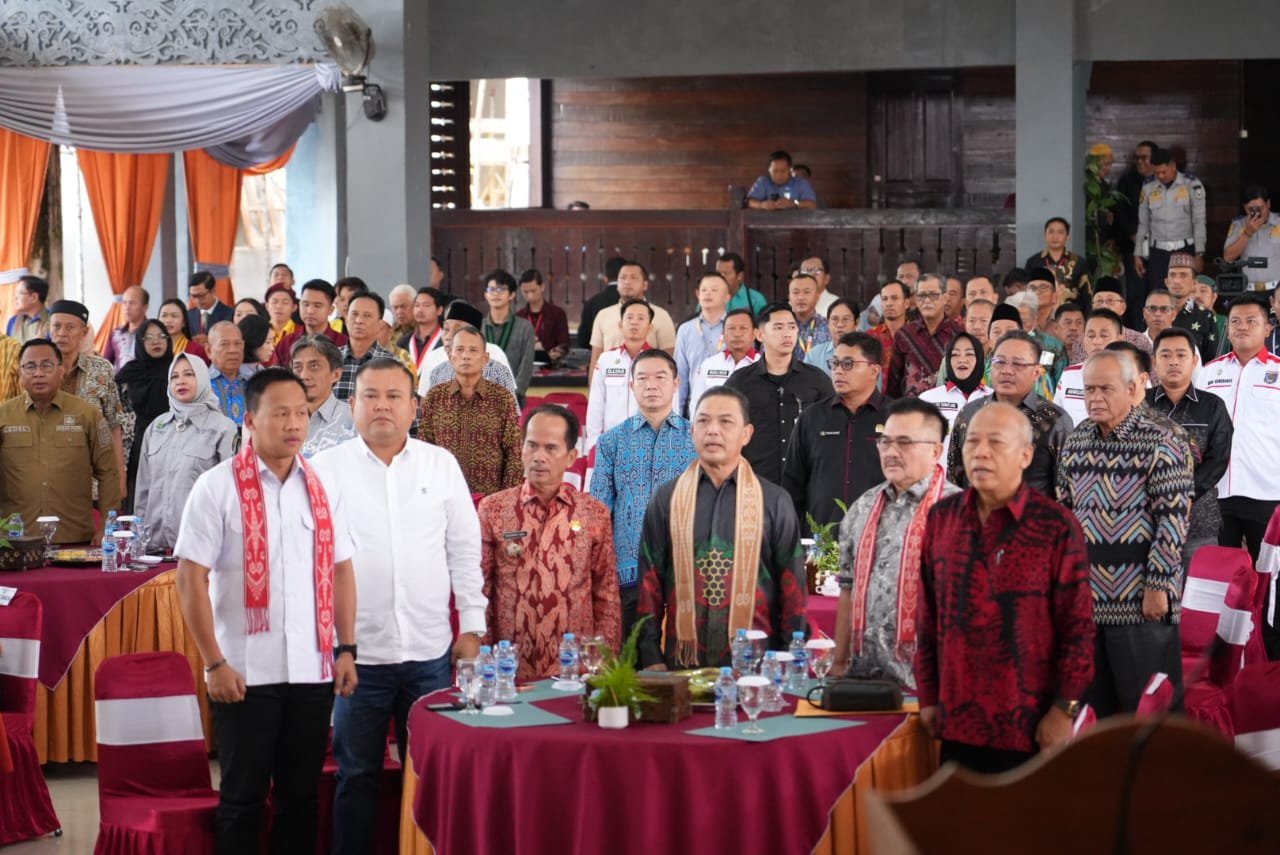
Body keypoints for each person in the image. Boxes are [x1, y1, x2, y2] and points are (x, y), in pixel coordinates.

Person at [174, 368, 358, 854]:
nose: (295, 424)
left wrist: (347, 649)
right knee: (243, 799)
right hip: (243, 673)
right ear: (250, 420)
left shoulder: (322, 486)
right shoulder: (216, 487)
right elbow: (190, 578)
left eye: (301, 413)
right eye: (281, 414)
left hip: (312, 670)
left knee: (300, 798)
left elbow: (341, 570)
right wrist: (213, 662)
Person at [311, 358, 487, 855]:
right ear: (352, 405)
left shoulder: (440, 464)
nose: (382, 406)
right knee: (357, 776)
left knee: (430, 778)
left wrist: (472, 625)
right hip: (356, 658)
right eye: (371, 396)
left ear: (414, 406)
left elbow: (464, 550)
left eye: (394, 396)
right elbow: (316, 563)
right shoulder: (325, 471)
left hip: (429, 655)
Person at [916, 403, 1094, 773]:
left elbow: (1077, 630)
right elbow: (927, 618)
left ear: (1026, 455)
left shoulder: (1055, 526)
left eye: (995, 443)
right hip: (957, 718)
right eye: (972, 442)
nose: (980, 452)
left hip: (1028, 724)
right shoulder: (942, 518)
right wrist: (929, 696)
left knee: (1021, 829)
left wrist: (1063, 710)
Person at [1057, 351, 1192, 716]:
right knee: (1092, 714)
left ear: (1133, 388)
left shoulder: (1162, 440)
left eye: (1105, 388)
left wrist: (1158, 585)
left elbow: (1173, 519)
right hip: (1087, 601)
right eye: (1088, 389)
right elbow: (1065, 514)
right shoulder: (1077, 438)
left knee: (1148, 714)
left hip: (1140, 601)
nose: (1095, 397)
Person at [636, 386, 807, 669]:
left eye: (725, 422)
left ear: (746, 434)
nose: (712, 430)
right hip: (682, 664)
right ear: (692, 431)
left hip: (757, 668)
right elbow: (649, 582)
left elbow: (793, 592)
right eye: (703, 421)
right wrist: (651, 656)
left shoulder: (774, 501)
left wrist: (790, 660)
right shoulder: (667, 498)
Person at [479, 404, 621, 678]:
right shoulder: (493, 510)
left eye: (550, 448)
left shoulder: (594, 513)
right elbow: (481, 589)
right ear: (520, 449)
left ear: (571, 456)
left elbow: (607, 594)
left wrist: (604, 662)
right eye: (531, 446)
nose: (538, 457)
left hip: (574, 668)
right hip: (510, 667)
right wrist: (484, 656)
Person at [835, 399, 960, 687]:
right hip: (861, 679)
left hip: (930, 685)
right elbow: (847, 589)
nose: (891, 452)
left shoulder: (959, 510)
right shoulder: (864, 506)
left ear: (936, 450)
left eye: (904, 442)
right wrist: (839, 664)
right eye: (885, 441)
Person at [590, 350, 696, 634]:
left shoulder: (696, 439)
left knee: (680, 656)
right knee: (630, 654)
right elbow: (598, 511)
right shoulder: (611, 441)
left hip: (686, 567)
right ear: (631, 386)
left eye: (660, 377)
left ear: (676, 384)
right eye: (642, 378)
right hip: (628, 566)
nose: (651, 385)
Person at [1198, 295, 1280, 655]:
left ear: (1268, 328)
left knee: (1270, 580)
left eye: (1251, 320)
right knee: (1219, 581)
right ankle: (1223, 657)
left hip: (1268, 494)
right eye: (1235, 321)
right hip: (1217, 495)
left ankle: (1270, 653)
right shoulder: (1209, 372)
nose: (1242, 327)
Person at [0, 338, 121, 544]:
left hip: (75, 538)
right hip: (16, 541)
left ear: (61, 370)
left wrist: (107, 529)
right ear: (20, 372)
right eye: (30, 366)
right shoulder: (4, 416)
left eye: (46, 365)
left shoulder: (87, 414)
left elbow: (108, 472)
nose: (38, 372)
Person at [1148, 327, 1233, 572]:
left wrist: (1184, 494)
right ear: (1154, 361)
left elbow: (1218, 459)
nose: (1173, 361)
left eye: (1181, 354)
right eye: (1165, 355)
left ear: (1195, 360)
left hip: (1198, 522)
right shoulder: (1139, 404)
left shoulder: (1212, 406)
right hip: (1146, 522)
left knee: (1198, 599)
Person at [783, 332, 887, 531]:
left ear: (874, 370)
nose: (838, 371)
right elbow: (793, 483)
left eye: (848, 364)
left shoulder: (894, 418)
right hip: (820, 542)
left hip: (878, 539)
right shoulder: (811, 418)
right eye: (835, 364)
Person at [134, 354, 237, 552]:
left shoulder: (223, 428)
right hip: (154, 548)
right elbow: (143, 489)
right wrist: (140, 540)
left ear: (203, 379)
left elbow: (230, 492)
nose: (181, 380)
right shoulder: (157, 427)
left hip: (200, 548)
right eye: (174, 376)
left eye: (189, 374)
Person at [949, 331, 1072, 496]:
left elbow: (1065, 490)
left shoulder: (1056, 420)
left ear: (1036, 372)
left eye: (1018, 364)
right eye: (999, 362)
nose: (1006, 371)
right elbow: (954, 480)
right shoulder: (970, 413)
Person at [724, 302, 833, 485]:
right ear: (759, 334)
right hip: (754, 483)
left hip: (806, 483)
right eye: (778, 327)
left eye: (792, 327)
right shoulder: (740, 382)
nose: (787, 333)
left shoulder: (817, 380)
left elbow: (832, 430)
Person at [419, 324, 523, 497]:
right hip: (443, 496)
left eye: (473, 350)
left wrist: (507, 499)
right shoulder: (435, 397)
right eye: (459, 349)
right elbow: (425, 449)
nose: (466, 356)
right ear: (450, 356)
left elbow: (514, 455)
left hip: (490, 499)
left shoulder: (502, 398)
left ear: (485, 358)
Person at [48, 299, 127, 498]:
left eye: (70, 327)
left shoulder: (101, 369)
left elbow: (114, 426)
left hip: (92, 481)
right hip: (46, 481)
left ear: (83, 333)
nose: (62, 333)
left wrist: (119, 478)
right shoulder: (35, 368)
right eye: (56, 326)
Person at [115, 319, 174, 506]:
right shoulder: (130, 373)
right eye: (148, 338)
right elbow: (116, 411)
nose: (156, 341)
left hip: (173, 440)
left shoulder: (178, 370)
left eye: (161, 336)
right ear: (140, 342)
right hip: (138, 443)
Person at [585, 298, 653, 449]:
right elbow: (596, 402)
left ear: (650, 328)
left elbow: (671, 405)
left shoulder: (660, 361)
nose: (634, 322)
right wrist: (593, 443)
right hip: (611, 444)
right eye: (629, 317)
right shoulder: (606, 360)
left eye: (641, 318)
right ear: (620, 326)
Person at [1135, 147, 1206, 291]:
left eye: (1163, 172)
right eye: (1156, 172)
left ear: (1173, 166)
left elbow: (1199, 221)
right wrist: (1137, 253)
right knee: (1157, 294)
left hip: (1184, 250)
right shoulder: (1148, 186)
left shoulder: (1192, 185)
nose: (1160, 176)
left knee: (1185, 294)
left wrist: (1199, 253)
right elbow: (1143, 223)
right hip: (1158, 253)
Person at [588, 261, 676, 374]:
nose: (627, 282)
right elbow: (596, 360)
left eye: (634, 278)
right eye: (622, 278)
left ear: (645, 285)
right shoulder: (603, 315)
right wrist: (593, 389)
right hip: (612, 384)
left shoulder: (660, 315)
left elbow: (669, 360)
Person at [885, 274, 964, 399]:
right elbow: (893, 383)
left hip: (948, 408)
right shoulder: (905, 335)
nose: (927, 301)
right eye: (922, 296)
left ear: (944, 298)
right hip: (910, 409)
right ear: (916, 300)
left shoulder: (959, 335)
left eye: (933, 295)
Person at [420, 300, 518, 397]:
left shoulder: (495, 355)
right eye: (446, 329)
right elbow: (425, 405)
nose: (448, 336)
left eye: (457, 329)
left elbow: (510, 403)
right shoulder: (433, 359)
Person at [919, 333, 990, 461]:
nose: (962, 360)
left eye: (969, 354)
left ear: (980, 359)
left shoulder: (995, 398)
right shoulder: (928, 399)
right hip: (940, 478)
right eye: (955, 354)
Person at [1054, 309, 1125, 426]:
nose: (1096, 341)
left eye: (1104, 335)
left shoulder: (1133, 375)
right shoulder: (1069, 375)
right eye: (1091, 336)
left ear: (1120, 339)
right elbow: (1057, 417)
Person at [675, 272, 731, 416]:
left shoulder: (735, 328)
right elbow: (680, 375)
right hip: (695, 408)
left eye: (714, 290)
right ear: (697, 294)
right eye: (704, 290)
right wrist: (677, 415)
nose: (707, 294)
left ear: (727, 297)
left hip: (729, 407)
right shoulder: (686, 330)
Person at [290, 334, 355, 459]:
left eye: (314, 366)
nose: (304, 375)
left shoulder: (352, 421)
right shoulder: (280, 419)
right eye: (298, 367)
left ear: (336, 374)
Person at [688, 308, 759, 409]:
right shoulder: (709, 365)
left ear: (755, 334)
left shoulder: (764, 365)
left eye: (743, 328)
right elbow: (696, 403)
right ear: (723, 334)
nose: (737, 334)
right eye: (731, 328)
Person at [335, 292, 400, 402]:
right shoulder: (330, 360)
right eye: (354, 314)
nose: (359, 320)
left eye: (367, 316)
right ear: (346, 319)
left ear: (379, 324)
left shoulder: (392, 365)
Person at [481, 269, 537, 397]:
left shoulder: (524, 327)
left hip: (514, 398)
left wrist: (514, 394)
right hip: (480, 398)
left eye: (501, 289)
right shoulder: (477, 327)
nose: (495, 294)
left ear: (512, 295)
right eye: (491, 289)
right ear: (485, 295)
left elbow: (526, 366)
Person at [273, 279, 350, 366]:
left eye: (317, 306)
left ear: (331, 310)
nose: (310, 311)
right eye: (305, 304)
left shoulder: (344, 343)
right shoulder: (286, 343)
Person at [1075, 277, 1153, 362]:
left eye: (1110, 301)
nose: (1104, 306)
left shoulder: (1139, 341)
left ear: (1123, 307)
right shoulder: (1080, 342)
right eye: (1099, 301)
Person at [1165, 252, 1220, 365]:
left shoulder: (1206, 316)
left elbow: (1212, 361)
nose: (1177, 281)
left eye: (1183, 275)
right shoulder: (1154, 312)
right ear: (1166, 281)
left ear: (1194, 283)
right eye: (1173, 275)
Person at [1223, 184, 1280, 291]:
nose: (1257, 213)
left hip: (1277, 290)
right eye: (1251, 209)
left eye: (1260, 208)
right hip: (1249, 290)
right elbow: (1228, 257)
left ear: (1268, 204)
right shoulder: (1238, 224)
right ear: (1244, 207)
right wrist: (1247, 233)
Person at [1025, 217, 1090, 302]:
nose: (1055, 237)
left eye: (1060, 232)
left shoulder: (1079, 262)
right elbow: (1027, 292)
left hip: (1071, 312)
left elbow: (1087, 295)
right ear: (1045, 235)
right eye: (1051, 232)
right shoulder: (1034, 262)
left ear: (1067, 237)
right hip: (1042, 312)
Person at [517, 269, 571, 364]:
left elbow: (564, 344)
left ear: (542, 287)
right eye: (525, 292)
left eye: (533, 291)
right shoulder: (519, 316)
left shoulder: (557, 313)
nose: (530, 295)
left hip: (551, 367)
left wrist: (552, 352)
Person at [207, 321, 255, 426]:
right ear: (209, 351)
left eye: (237, 344)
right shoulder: (202, 385)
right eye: (224, 344)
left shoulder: (254, 383)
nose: (233, 350)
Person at [577, 256, 625, 350]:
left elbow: (583, 339)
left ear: (605, 278)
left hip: (599, 356)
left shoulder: (592, 302)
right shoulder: (633, 301)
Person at [746, 150, 817, 210]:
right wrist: (761, 205)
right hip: (767, 224)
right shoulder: (763, 181)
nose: (779, 175)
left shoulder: (801, 183)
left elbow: (812, 205)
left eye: (783, 171)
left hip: (795, 223)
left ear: (790, 170)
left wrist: (793, 203)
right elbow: (749, 202)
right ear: (769, 170)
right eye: (775, 171)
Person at [101, 285, 150, 372]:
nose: (127, 308)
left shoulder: (153, 333)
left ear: (145, 307)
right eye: (124, 303)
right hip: (120, 384)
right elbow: (105, 364)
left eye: (132, 303)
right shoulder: (116, 334)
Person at [804, 298, 858, 378]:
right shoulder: (814, 355)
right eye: (835, 319)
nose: (840, 325)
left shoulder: (867, 354)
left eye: (845, 319)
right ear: (828, 323)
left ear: (856, 323)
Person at [400, 286, 447, 374]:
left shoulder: (446, 341)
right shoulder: (404, 342)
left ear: (439, 310)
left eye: (426, 305)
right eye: (417, 305)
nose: (420, 310)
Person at [867, 279, 909, 376]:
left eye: (894, 298)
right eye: (885, 299)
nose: (889, 303)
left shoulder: (916, 335)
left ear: (906, 303)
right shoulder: (869, 337)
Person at [787, 273, 830, 361]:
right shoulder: (780, 327)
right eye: (795, 292)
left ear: (818, 296)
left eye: (807, 292)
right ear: (789, 297)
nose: (800, 297)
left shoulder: (829, 326)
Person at [157, 297, 209, 362]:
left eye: (174, 316)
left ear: (184, 322)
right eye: (164, 315)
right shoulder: (153, 348)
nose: (168, 320)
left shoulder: (196, 351)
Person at [187, 271, 233, 344]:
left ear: (213, 291)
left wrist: (211, 340)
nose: (197, 300)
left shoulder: (230, 314)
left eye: (201, 295)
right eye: (194, 296)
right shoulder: (188, 315)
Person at [6, 274, 50, 342]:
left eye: (20, 293)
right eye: (16, 293)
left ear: (34, 297)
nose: (15, 298)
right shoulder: (13, 321)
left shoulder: (53, 320)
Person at [263, 282, 298, 348]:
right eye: (274, 302)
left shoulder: (302, 332)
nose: (279, 306)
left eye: (285, 302)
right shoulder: (260, 332)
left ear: (294, 307)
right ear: (267, 306)